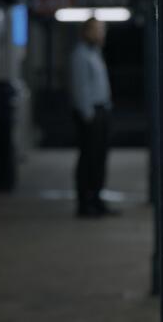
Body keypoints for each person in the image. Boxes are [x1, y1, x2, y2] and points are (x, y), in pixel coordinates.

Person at [69, 17, 117, 218]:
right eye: (98, 30)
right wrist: (88, 115)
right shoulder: (80, 55)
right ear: (87, 31)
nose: (101, 34)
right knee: (89, 157)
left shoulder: (95, 53)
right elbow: (80, 87)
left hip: (101, 110)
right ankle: (85, 203)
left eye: (103, 30)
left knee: (99, 158)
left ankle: (96, 200)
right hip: (91, 113)